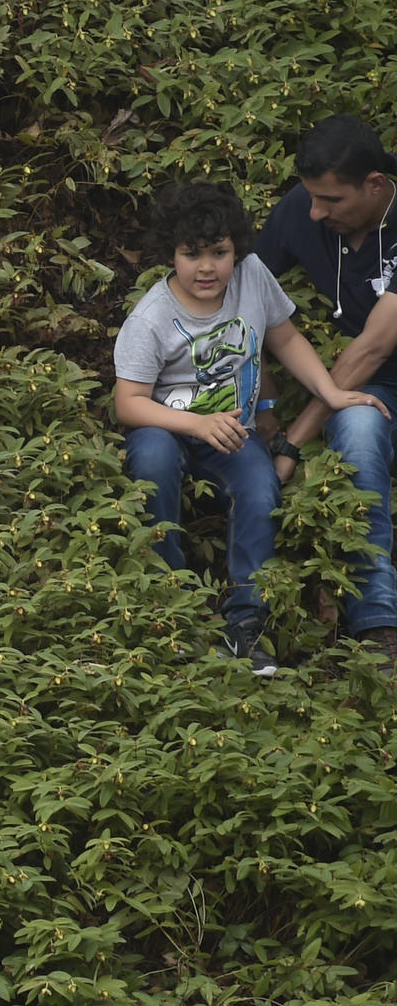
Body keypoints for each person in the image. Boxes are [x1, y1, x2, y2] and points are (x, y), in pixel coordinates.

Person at [116, 179, 367, 674]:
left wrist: (330, 392)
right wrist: (194, 422)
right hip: (165, 425)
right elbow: (128, 404)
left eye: (219, 252)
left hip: (233, 430)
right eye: (191, 254)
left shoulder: (251, 276)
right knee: (151, 458)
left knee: (261, 487)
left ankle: (246, 622)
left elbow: (285, 338)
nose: (206, 267)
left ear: (239, 249)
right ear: (172, 254)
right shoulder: (151, 318)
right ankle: (177, 607)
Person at [258, 116, 397, 648]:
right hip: (373, 394)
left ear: (376, 185)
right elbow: (242, 303)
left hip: (366, 370)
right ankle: (379, 624)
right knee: (358, 430)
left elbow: (375, 347)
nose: (316, 212)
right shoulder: (302, 207)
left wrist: (292, 440)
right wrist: (265, 403)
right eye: (311, 197)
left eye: (331, 200)